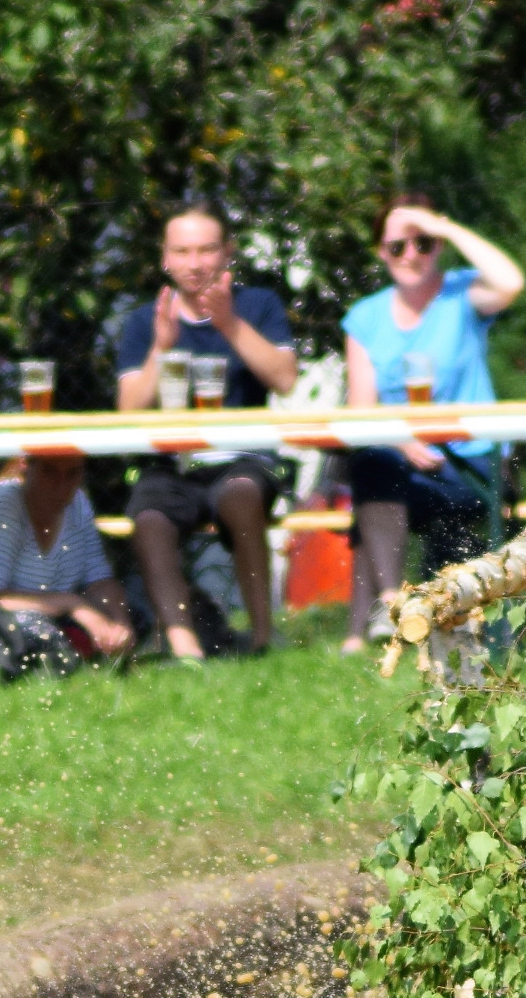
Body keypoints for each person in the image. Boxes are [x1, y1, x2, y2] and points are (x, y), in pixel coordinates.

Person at [112, 202, 299, 660]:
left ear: (227, 253)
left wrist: (230, 325)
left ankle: (261, 636)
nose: (195, 263)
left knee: (241, 497)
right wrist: (161, 347)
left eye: (206, 250)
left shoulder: (257, 304)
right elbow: (128, 409)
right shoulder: (145, 320)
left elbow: (285, 378)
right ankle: (184, 645)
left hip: (242, 458)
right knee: (149, 518)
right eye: (182, 251)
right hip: (173, 463)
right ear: (165, 259)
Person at [341, 194, 525, 652]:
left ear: (438, 246)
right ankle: (391, 605)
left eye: (423, 243)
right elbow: (362, 409)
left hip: (473, 461)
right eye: (396, 247)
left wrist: (446, 225)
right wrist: (403, 440)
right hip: (405, 465)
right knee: (372, 468)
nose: (411, 256)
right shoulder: (365, 316)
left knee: (382, 501)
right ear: (380, 253)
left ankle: (379, 626)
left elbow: (512, 281)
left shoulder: (462, 293)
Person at [0, 455, 135, 659]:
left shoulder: (78, 503)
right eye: (49, 472)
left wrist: (119, 622)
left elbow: (99, 580)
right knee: (39, 631)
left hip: (58, 619)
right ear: (25, 465)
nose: (61, 485)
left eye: (72, 474)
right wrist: (74, 605)